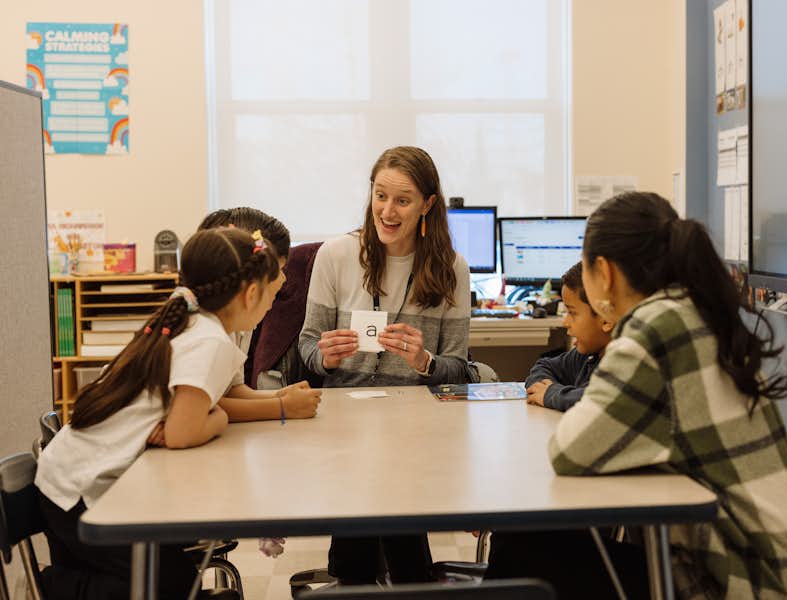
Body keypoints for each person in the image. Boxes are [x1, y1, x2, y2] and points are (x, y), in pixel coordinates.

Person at [488, 191, 787, 599]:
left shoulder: (656, 327)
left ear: (604, 272)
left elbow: (571, 450)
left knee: (522, 543)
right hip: (768, 562)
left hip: (741, 580)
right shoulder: (689, 308)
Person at [35, 227, 290, 599]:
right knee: (170, 583)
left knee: (174, 577)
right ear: (251, 294)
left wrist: (198, 418)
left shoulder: (192, 323)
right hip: (80, 496)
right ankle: (52, 587)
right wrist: (215, 417)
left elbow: (180, 426)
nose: (271, 305)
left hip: (69, 480)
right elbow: (184, 433)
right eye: (272, 294)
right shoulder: (210, 340)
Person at [298, 145, 471, 584]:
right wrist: (326, 357)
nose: (387, 211)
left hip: (413, 428)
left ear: (428, 204)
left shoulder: (452, 269)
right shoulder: (336, 255)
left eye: (402, 200)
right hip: (346, 423)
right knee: (354, 558)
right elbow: (306, 346)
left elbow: (459, 368)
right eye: (380, 196)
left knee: (409, 558)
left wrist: (425, 361)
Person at [195, 207, 321, 421]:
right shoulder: (207, 335)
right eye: (276, 271)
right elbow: (204, 405)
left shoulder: (238, 324)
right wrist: (281, 408)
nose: (283, 280)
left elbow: (231, 390)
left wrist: (280, 396)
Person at [525, 261, 613, 411]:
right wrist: (545, 390)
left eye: (572, 312)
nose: (565, 322)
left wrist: (553, 394)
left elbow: (601, 399)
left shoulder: (624, 361)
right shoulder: (589, 355)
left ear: (606, 318)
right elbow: (543, 366)